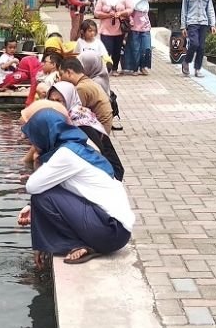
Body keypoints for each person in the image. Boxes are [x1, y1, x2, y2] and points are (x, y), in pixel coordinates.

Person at [17, 106, 134, 264]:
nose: (33, 144)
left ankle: (74, 243)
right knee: (41, 197)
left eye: (34, 138)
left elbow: (32, 186)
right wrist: (32, 208)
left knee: (41, 197)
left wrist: (38, 160)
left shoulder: (66, 155)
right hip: (116, 231)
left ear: (44, 134)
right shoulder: (77, 146)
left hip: (110, 231)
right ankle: (79, 244)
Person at [47, 81, 125, 180]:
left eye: (59, 101)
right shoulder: (64, 117)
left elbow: (96, 153)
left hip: (108, 173)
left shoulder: (80, 122)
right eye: (51, 100)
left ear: (69, 100)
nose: (54, 105)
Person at [59, 57, 114, 133]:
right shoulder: (88, 82)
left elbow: (73, 113)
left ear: (69, 72)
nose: (60, 78)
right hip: (102, 126)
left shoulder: (81, 88)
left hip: (99, 131)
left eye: (61, 74)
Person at [181, 0, 216, 77]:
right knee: (194, 44)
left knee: (201, 47)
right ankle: (186, 61)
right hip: (192, 22)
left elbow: (210, 9)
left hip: (203, 23)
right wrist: (183, 26)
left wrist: (213, 24)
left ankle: (197, 69)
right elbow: (184, 10)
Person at [93, 0, 129, 75]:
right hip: (105, 29)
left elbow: (130, 9)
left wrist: (121, 13)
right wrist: (108, 15)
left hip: (119, 29)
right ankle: (106, 69)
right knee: (106, 50)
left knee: (117, 50)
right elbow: (96, 13)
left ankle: (114, 69)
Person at [122, 0, 156, 75]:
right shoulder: (133, 0)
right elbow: (128, 12)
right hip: (135, 28)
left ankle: (143, 66)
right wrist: (130, 19)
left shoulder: (146, 2)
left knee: (146, 48)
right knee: (135, 49)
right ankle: (135, 68)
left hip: (146, 28)